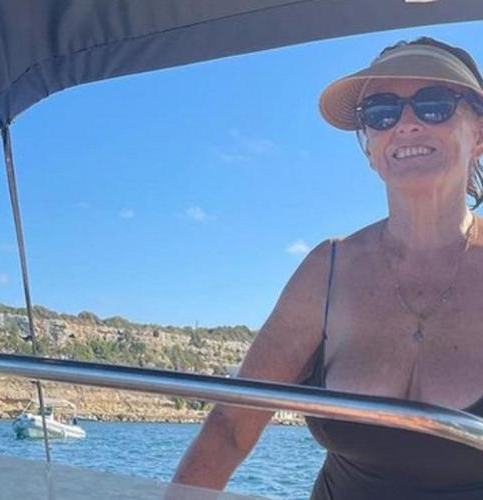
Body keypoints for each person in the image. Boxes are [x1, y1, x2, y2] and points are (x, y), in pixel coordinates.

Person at [172, 37, 483, 499]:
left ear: (479, 134)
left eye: (433, 104)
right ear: (369, 147)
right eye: (381, 111)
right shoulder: (327, 271)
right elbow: (231, 427)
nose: (406, 124)